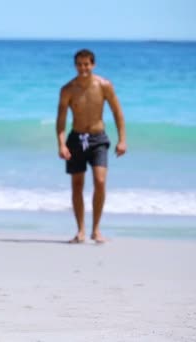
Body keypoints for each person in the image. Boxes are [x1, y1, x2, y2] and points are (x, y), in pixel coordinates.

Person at [56, 49, 127, 244]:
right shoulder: (68, 89)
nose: (83, 68)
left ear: (93, 65)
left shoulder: (104, 85)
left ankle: (96, 230)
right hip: (76, 139)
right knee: (77, 185)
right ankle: (80, 231)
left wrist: (122, 140)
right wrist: (61, 144)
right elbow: (61, 120)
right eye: (79, 64)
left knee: (100, 181)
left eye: (86, 64)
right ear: (75, 65)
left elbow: (117, 113)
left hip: (98, 139)